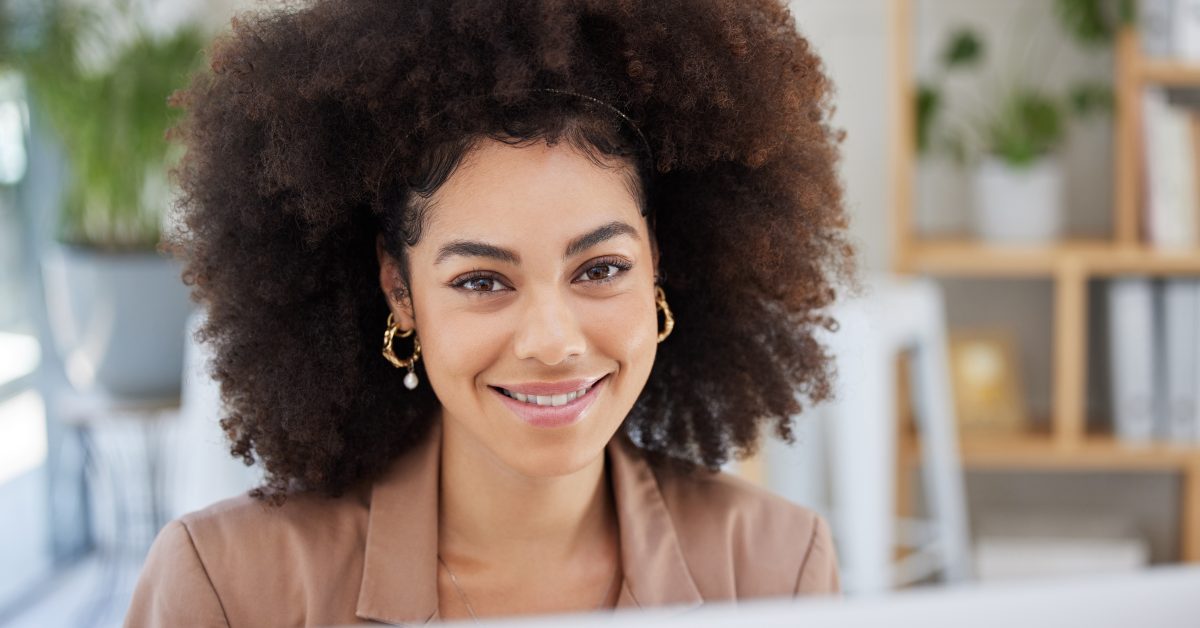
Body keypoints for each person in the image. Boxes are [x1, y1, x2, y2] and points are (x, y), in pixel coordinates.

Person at [125, 0, 857, 624]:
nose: (552, 342)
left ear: (658, 262)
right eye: (481, 281)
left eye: (601, 269)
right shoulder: (228, 587)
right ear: (400, 291)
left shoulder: (776, 570)